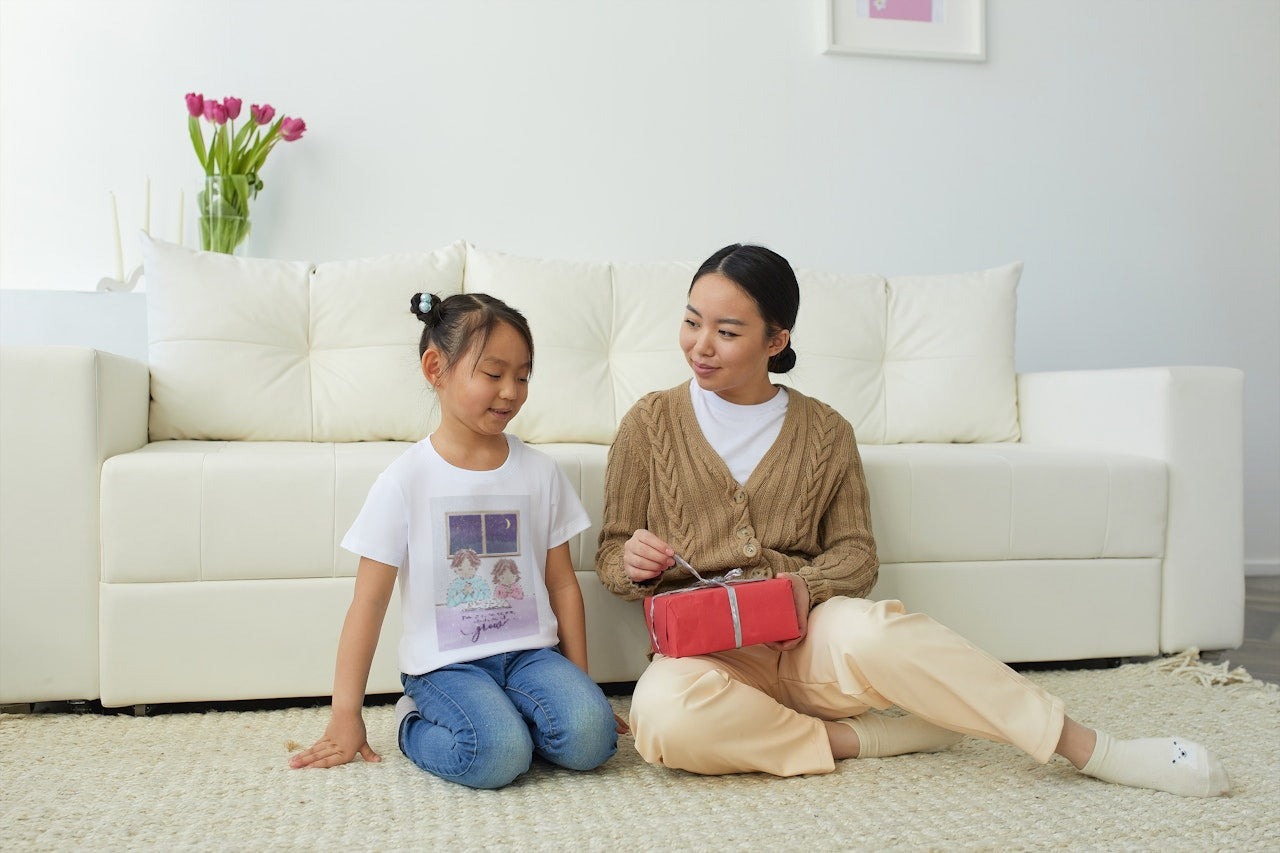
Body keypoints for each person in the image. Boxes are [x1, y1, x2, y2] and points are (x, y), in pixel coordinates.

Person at [595, 243, 1231, 798]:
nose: (700, 346)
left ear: (776, 340)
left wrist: (796, 592)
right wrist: (630, 563)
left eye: (727, 331)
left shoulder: (825, 431)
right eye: (690, 322)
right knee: (662, 719)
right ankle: (865, 740)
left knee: (884, 633)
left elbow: (855, 556)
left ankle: (1096, 750)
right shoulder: (650, 425)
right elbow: (612, 550)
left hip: (808, 640)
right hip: (706, 659)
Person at [291, 292, 621, 789]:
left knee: (593, 740)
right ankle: (411, 721)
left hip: (532, 656)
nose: (511, 391)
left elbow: (563, 586)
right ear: (435, 368)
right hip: (447, 667)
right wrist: (346, 714)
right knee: (497, 755)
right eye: (493, 374)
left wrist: (580, 687)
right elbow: (369, 600)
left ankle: (520, 714)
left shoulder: (540, 472)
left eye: (523, 375)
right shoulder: (405, 480)